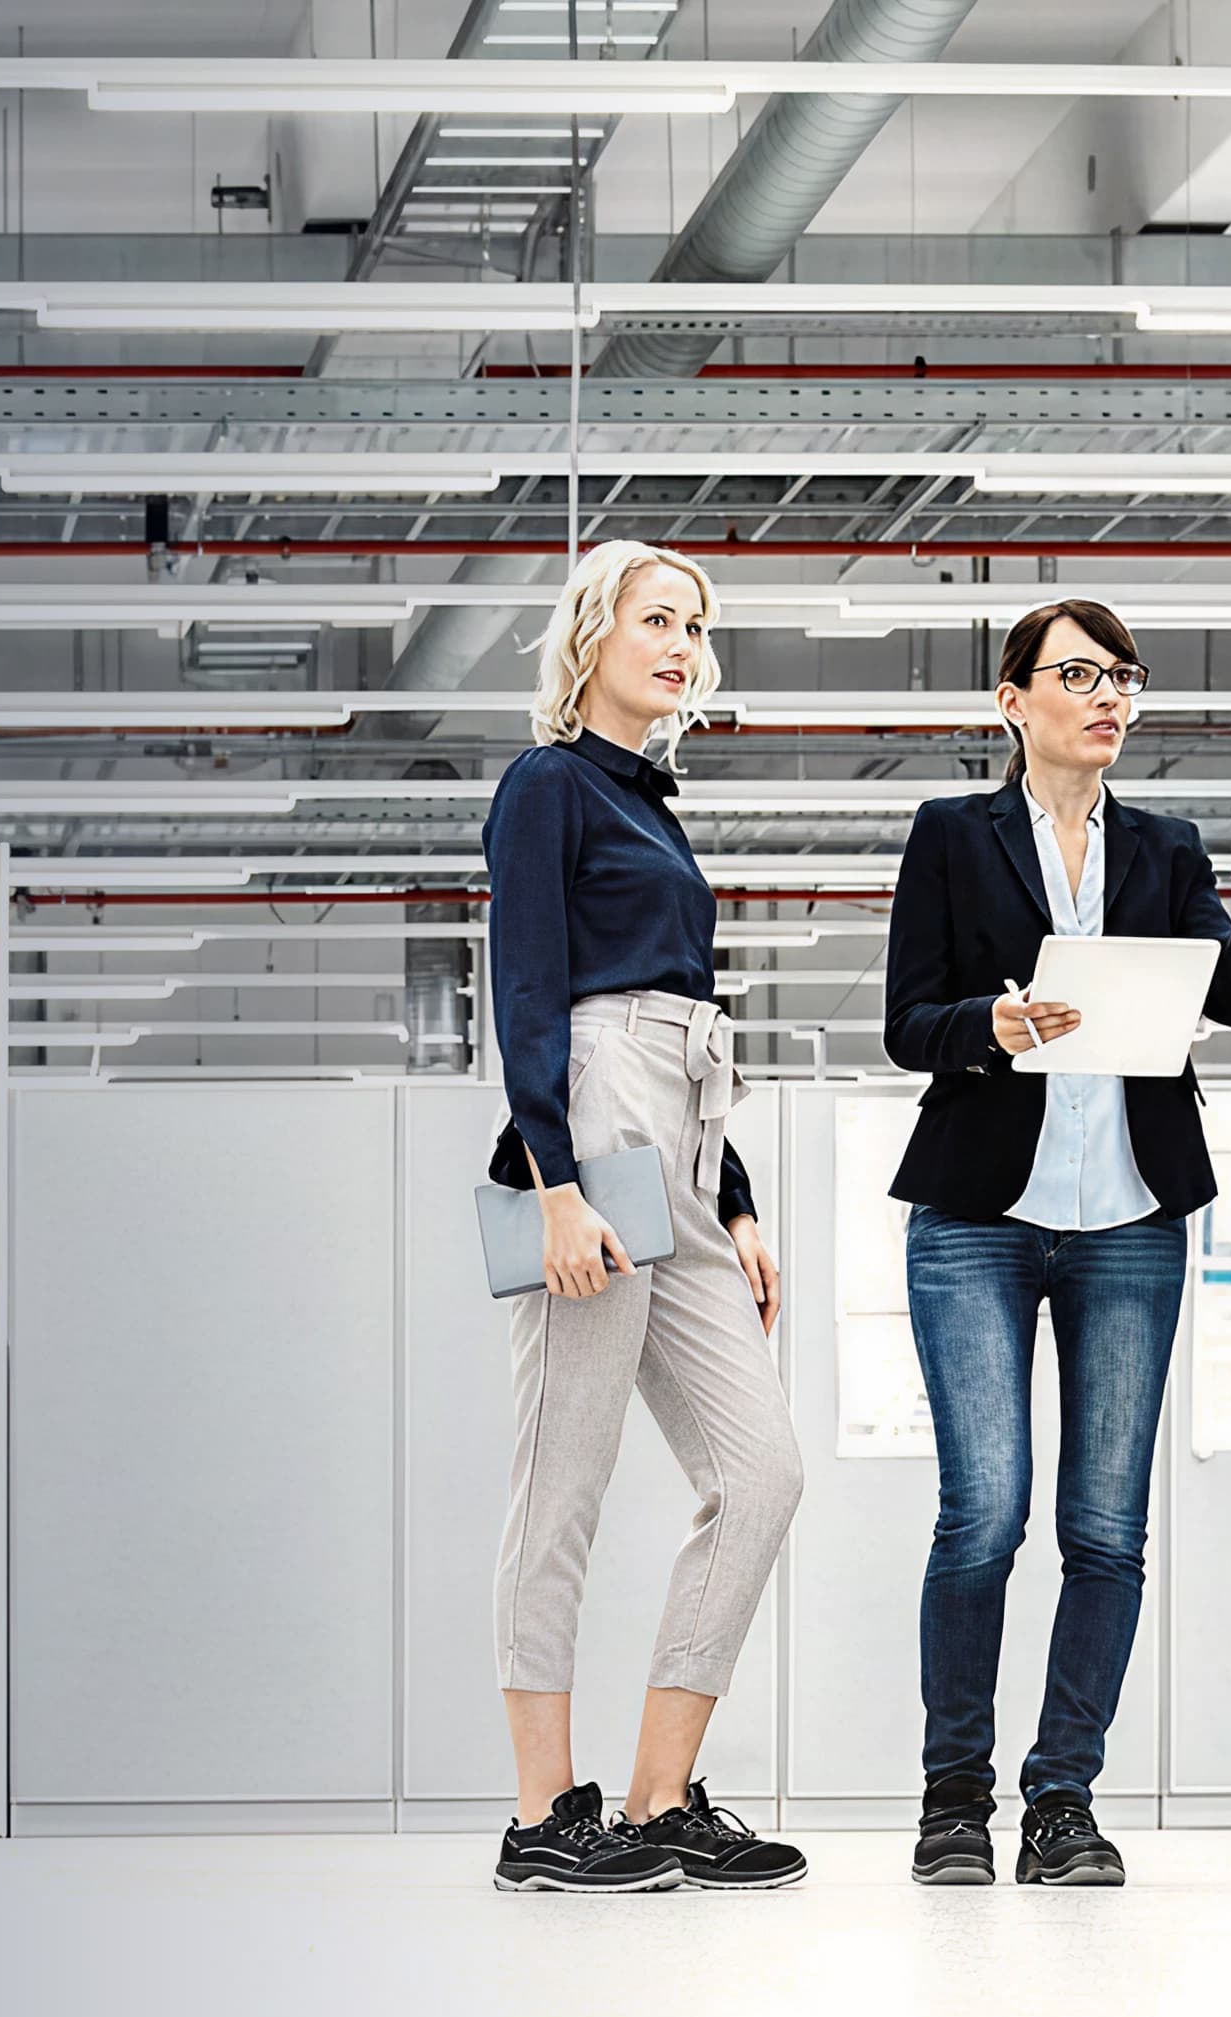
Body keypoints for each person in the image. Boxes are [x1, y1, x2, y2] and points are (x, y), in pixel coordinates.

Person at [881, 599, 1231, 1888]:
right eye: (1078, 674)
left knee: (1106, 1527)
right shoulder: (952, 837)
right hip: (979, 1217)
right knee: (985, 1513)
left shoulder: (1168, 845)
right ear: (1012, 699)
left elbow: (1218, 1001)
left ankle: (1061, 1798)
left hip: (1130, 1214)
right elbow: (910, 1020)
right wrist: (991, 1028)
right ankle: (954, 1795)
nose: (1107, 696)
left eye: (1121, 676)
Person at [480, 538, 809, 1894]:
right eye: (654, 617)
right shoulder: (548, 786)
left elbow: (692, 1024)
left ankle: (663, 1796)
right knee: (564, 1484)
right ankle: (544, 1814)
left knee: (764, 1473)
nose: (679, 642)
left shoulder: (654, 802)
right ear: (592, 635)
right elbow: (531, 993)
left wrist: (731, 1201)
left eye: (694, 623)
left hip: (681, 1131)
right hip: (594, 1130)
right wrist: (558, 1184)